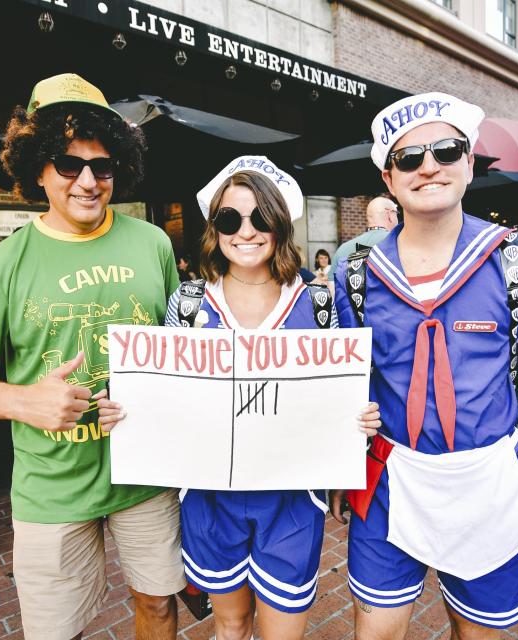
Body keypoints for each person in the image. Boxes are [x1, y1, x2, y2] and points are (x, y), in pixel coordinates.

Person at [0, 73, 185, 640]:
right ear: (37, 168)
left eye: (103, 166)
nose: (88, 181)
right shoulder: (0, 264)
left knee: (159, 606)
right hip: (52, 485)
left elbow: (176, 349)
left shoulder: (153, 243)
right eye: (68, 164)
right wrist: (23, 400)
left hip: (147, 475)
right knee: (56, 631)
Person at [330, 92, 518, 639]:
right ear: (389, 180)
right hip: (390, 479)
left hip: (486, 480)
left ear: (469, 163)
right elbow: (343, 382)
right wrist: (338, 470)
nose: (428, 167)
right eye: (408, 158)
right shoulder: (355, 274)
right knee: (375, 633)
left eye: (446, 150)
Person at [153, 156, 381, 640]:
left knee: (283, 632)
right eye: (231, 219)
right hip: (211, 496)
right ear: (214, 227)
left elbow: (339, 394)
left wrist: (353, 421)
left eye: (261, 217)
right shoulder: (189, 302)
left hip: (292, 500)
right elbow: (168, 400)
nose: (246, 231)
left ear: (280, 223)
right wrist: (131, 410)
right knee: (231, 625)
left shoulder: (319, 303)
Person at [331, 195, 399, 268]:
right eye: (396, 213)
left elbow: (331, 279)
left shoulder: (342, 249)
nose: (397, 218)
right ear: (389, 215)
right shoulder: (399, 242)